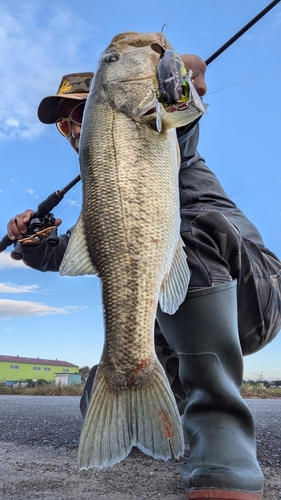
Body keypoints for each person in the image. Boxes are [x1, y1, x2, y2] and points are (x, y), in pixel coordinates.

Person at [6, 50, 281, 499]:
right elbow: (70, 254)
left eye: (79, 110)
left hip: (254, 296)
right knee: (103, 386)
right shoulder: (103, 198)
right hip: (179, 323)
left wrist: (180, 88)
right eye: (64, 125)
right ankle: (152, 407)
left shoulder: (169, 146)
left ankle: (222, 442)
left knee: (178, 229)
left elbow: (182, 127)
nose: (74, 128)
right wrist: (33, 245)